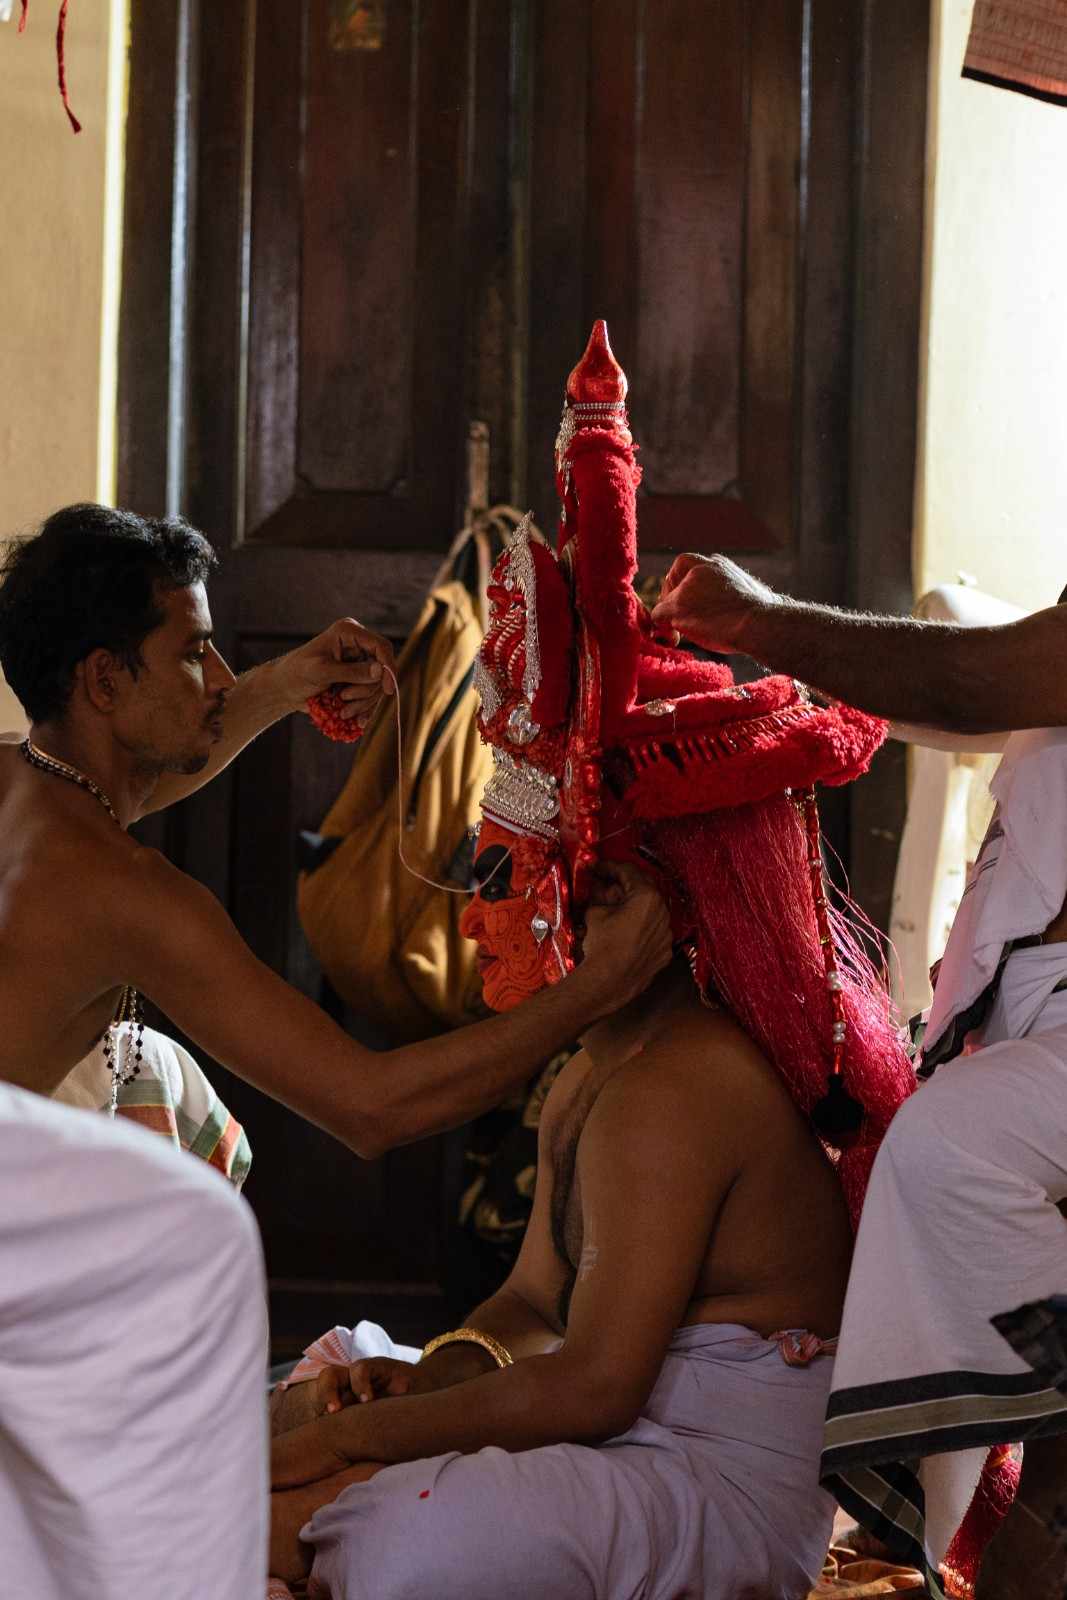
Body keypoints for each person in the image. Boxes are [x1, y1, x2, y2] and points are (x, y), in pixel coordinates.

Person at [263, 324, 916, 1599]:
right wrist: (429, 1371)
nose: (521, 892)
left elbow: (601, 1382)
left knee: (376, 1519)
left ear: (636, 890)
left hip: (707, 1481)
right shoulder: (603, 1050)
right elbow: (527, 1307)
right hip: (609, 1427)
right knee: (318, 1394)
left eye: (551, 869)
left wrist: (352, 1446)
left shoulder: (687, 1081)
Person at [0, 501, 669, 1596]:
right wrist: (593, 991)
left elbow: (130, 782)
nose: (220, 672)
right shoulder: (130, 898)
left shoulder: (22, 784)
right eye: (192, 651)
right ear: (104, 681)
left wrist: (286, 681)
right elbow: (371, 1105)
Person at [653, 553, 1067, 1597]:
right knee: (943, 1158)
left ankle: (977, 1504)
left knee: (947, 1146)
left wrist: (761, 620)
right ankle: (929, 1540)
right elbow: (983, 704)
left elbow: (977, 683)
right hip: (1032, 1012)